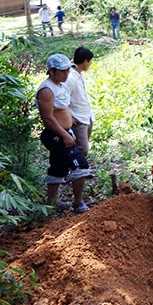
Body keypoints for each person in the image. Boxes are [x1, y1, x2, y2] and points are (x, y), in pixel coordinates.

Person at [36, 54, 93, 213]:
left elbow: (62, 108)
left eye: (68, 70)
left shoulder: (60, 85)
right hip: (56, 135)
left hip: (65, 131)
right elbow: (47, 118)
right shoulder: (46, 90)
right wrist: (65, 135)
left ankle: (51, 202)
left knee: (58, 167)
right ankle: (78, 202)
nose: (66, 74)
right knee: (80, 164)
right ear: (51, 71)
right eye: (62, 71)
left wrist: (70, 119)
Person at [65, 47, 95, 157]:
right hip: (78, 118)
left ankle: (81, 170)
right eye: (90, 61)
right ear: (85, 61)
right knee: (82, 149)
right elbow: (63, 99)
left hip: (86, 116)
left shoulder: (78, 75)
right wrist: (69, 117)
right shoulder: (70, 78)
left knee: (83, 148)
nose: (90, 64)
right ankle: (76, 171)